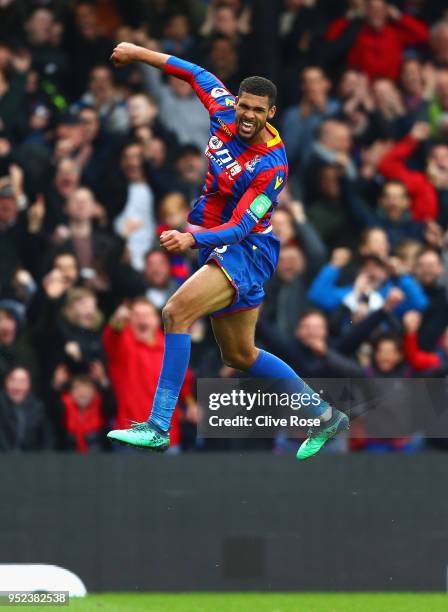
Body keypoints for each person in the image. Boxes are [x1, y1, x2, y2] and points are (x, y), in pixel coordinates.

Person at [106, 41, 349, 461]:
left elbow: (239, 227)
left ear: (271, 113)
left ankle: (159, 425)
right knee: (239, 354)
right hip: (218, 245)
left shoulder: (272, 166)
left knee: (174, 312)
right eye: (244, 106)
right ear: (235, 103)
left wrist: (191, 240)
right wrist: (137, 52)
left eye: (259, 110)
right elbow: (195, 72)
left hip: (247, 250)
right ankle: (324, 415)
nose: (248, 116)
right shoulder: (223, 112)